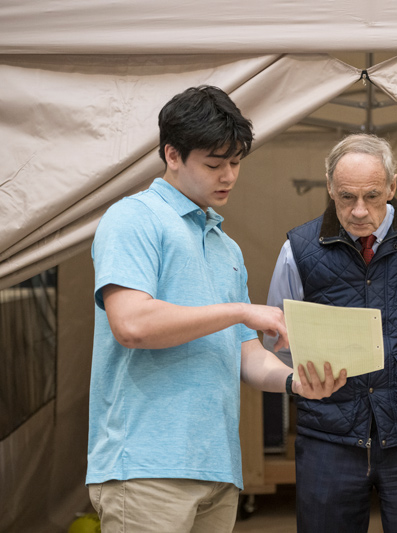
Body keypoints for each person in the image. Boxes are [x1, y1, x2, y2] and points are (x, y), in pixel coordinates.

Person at [86, 85, 346, 533]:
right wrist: (239, 311)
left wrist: (295, 381)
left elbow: (245, 354)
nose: (228, 176)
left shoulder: (227, 247)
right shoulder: (133, 219)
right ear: (172, 154)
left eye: (235, 163)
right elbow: (130, 324)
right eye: (213, 163)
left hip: (218, 467)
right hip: (146, 466)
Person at [265, 133, 397, 533]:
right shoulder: (299, 248)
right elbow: (279, 341)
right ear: (329, 188)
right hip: (330, 435)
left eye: (373, 196)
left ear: (392, 187)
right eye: (346, 197)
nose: (359, 210)